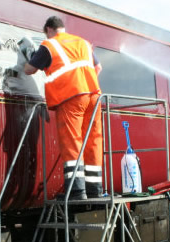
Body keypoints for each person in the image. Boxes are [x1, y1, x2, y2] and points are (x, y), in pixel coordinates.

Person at [24, 16, 103, 200]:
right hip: (94, 95)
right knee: (93, 140)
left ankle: (76, 191)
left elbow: (29, 70)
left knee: (72, 140)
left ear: (49, 29)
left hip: (72, 97)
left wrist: (30, 57)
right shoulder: (82, 43)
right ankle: (95, 190)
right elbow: (98, 67)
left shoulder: (49, 45)